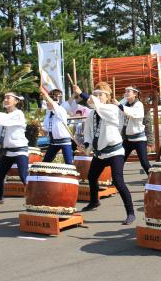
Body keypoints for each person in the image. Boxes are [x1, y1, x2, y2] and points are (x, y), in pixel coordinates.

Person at [74, 82, 136, 225]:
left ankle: (130, 212)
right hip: (100, 153)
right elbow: (88, 132)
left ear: (107, 97)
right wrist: (87, 145)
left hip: (115, 152)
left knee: (118, 182)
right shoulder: (92, 114)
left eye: (100, 94)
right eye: (95, 94)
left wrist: (81, 93)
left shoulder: (112, 109)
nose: (97, 97)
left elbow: (98, 105)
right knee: (92, 177)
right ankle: (94, 202)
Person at [114, 86, 151, 174]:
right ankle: (115, 180)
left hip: (139, 139)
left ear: (135, 94)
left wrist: (119, 105)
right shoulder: (124, 102)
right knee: (120, 160)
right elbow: (116, 108)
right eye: (125, 91)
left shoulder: (139, 104)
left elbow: (132, 113)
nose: (126, 93)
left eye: (128, 91)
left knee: (144, 162)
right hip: (127, 139)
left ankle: (153, 179)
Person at [41, 87, 73, 164]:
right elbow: (45, 131)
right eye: (46, 101)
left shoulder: (60, 110)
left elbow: (53, 104)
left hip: (64, 142)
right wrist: (37, 127)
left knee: (69, 164)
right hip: (53, 142)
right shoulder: (48, 113)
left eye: (47, 101)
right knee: (45, 163)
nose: (46, 103)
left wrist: (44, 93)